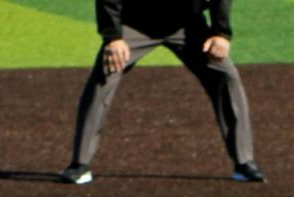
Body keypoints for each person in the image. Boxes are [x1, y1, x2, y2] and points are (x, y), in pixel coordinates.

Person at [60, 1, 262, 185]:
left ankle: (244, 162)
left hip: (187, 26)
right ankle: (80, 164)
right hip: (135, 24)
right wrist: (113, 37)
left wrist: (221, 33)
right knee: (104, 77)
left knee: (226, 77)